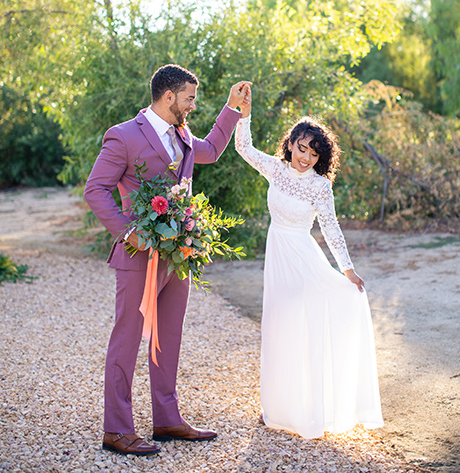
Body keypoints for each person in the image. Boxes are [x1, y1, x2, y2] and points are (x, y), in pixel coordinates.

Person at [84, 64, 249, 456]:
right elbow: (96, 190)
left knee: (167, 338)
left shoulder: (183, 133)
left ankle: (168, 419)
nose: (193, 105)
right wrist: (128, 231)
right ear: (169, 96)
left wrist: (232, 109)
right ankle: (117, 429)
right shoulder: (123, 136)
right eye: (190, 98)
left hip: (179, 254)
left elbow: (209, 151)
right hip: (139, 256)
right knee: (126, 342)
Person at [234, 85, 383, 439]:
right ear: (290, 145)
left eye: (313, 154)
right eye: (301, 149)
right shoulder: (275, 169)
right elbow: (242, 147)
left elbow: (331, 228)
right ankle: (278, 408)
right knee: (276, 327)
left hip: (304, 258)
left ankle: (310, 409)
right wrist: (244, 114)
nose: (305, 158)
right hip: (278, 254)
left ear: (321, 158)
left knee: (303, 325)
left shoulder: (320, 187)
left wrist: (346, 268)